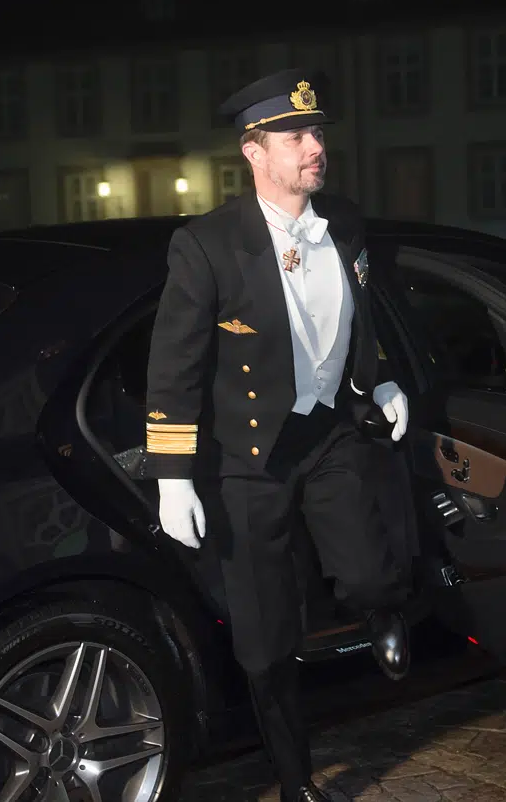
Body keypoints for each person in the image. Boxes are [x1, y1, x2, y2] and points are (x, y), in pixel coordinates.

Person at [143, 68, 413, 802]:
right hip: (250, 458)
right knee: (264, 644)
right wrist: (172, 477)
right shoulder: (206, 245)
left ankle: (385, 609)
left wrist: (379, 378)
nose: (314, 146)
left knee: (365, 568)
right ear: (254, 152)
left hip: (331, 432)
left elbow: (364, 317)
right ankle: (296, 782)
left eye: (317, 132)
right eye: (295, 135)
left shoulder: (347, 223)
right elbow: (173, 367)